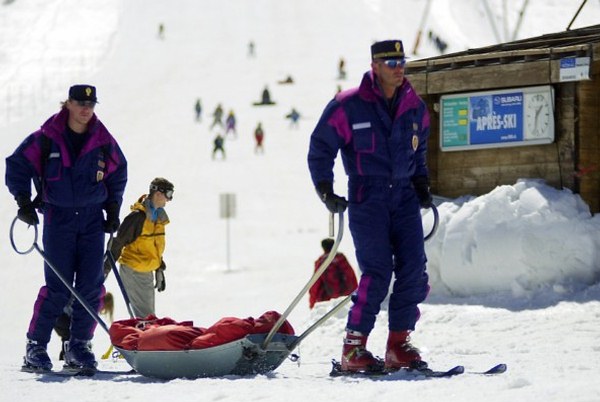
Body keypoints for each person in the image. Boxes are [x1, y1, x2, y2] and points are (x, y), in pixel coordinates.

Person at [307, 40, 432, 373]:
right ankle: (354, 347)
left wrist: (421, 181)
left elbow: (419, 150)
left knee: (413, 270)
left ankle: (398, 345)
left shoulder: (413, 105)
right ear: (375, 65)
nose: (398, 67)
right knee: (377, 272)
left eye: (401, 61)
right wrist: (325, 189)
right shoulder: (349, 106)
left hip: (404, 197)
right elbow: (321, 147)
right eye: (390, 62)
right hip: (367, 196)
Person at [6, 84, 128, 372]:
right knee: (58, 287)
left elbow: (118, 172)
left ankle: (79, 346)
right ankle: (35, 346)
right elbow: (17, 165)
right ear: (68, 104)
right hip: (58, 219)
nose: (86, 110)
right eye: (80, 103)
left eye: (91, 104)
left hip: (91, 221)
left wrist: (112, 209)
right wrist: (23, 201)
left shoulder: (102, 141)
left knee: (92, 286)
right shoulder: (46, 139)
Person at [104, 178, 173, 318]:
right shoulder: (137, 218)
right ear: (158, 194)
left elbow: (153, 247)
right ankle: (142, 338)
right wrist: (105, 268)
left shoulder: (158, 218)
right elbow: (118, 243)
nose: (169, 199)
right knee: (146, 317)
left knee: (147, 316)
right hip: (133, 270)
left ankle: (142, 337)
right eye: (169, 194)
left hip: (146, 272)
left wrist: (159, 267)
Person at [309, 238, 358, 309]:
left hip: (326, 303)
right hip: (345, 300)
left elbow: (315, 284)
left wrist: (312, 304)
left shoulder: (321, 262)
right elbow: (351, 277)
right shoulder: (341, 259)